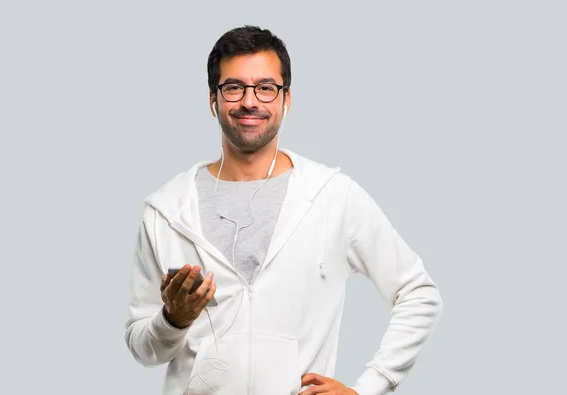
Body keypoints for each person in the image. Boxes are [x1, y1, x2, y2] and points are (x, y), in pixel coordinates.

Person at [124, 25, 443, 395]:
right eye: (233, 87)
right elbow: (140, 347)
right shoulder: (167, 210)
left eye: (265, 87)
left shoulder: (331, 196)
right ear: (213, 100)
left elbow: (419, 293)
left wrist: (370, 386)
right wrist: (172, 320)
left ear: (285, 99)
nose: (249, 101)